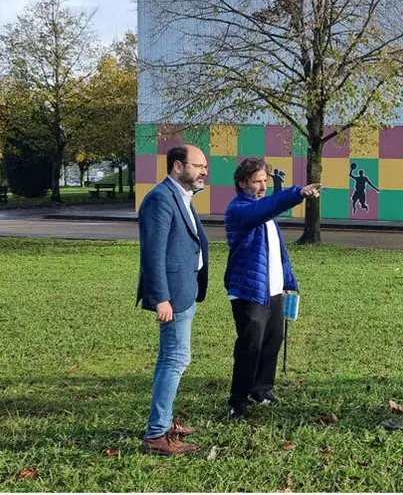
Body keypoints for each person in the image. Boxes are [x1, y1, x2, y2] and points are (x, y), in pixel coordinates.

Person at [223, 158, 321, 419]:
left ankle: (262, 389)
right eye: (257, 181)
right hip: (249, 290)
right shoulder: (239, 210)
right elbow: (267, 208)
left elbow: (277, 253)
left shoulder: (263, 213)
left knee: (272, 341)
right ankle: (238, 400)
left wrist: (287, 283)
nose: (263, 186)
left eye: (265, 180)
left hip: (273, 289)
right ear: (242, 183)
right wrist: (297, 193)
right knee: (250, 346)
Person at [136, 144, 210, 456]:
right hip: (172, 295)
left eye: (205, 166)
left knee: (171, 358)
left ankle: (164, 421)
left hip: (185, 289)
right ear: (178, 167)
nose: (204, 171)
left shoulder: (181, 196)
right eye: (198, 166)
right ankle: (157, 434)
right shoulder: (161, 199)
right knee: (175, 359)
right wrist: (161, 298)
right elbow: (152, 254)